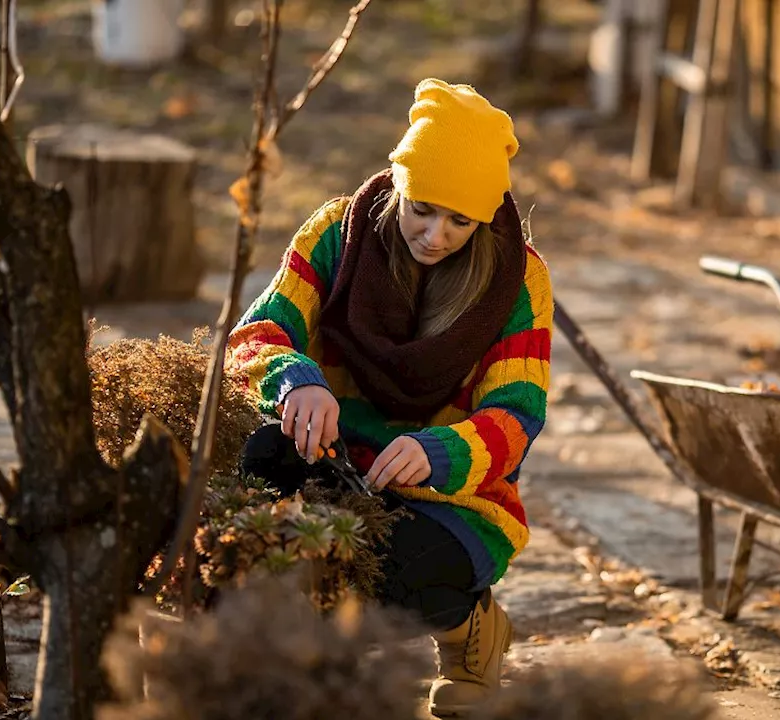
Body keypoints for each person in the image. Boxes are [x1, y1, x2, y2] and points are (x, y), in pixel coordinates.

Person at [226, 78, 553, 717]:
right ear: (398, 185)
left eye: (460, 221)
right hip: (332, 453)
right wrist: (296, 379)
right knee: (260, 463)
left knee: (396, 574)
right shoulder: (336, 233)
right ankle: (288, 654)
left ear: (484, 217)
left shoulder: (519, 278)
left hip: (450, 491)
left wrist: (440, 450)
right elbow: (256, 335)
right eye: (422, 209)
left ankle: (470, 634)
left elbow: (518, 413)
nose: (435, 235)